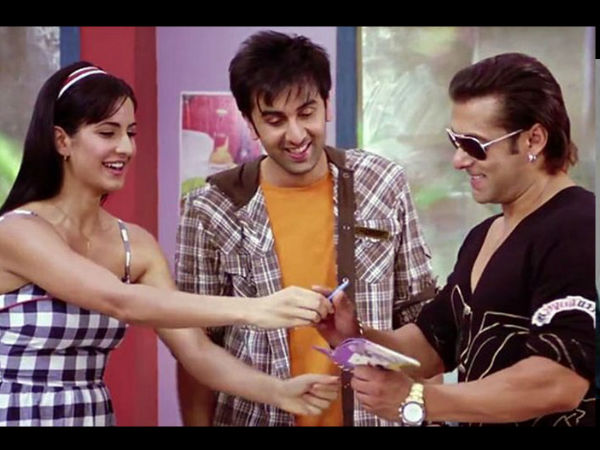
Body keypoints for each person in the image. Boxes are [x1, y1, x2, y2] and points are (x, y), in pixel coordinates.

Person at [0, 61, 340, 426]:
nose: (125, 147)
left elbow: (195, 351)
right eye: (107, 133)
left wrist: (278, 391)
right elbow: (120, 301)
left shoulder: (136, 245)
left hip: (90, 415)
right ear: (61, 141)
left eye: (131, 133)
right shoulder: (18, 231)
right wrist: (254, 309)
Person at [318, 53, 596, 426]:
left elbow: (560, 379)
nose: (459, 160)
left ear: (534, 139)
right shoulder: (484, 235)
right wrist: (356, 337)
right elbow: (431, 345)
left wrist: (417, 399)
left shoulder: (580, 228)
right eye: (455, 141)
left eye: (475, 145)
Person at [176, 31, 436, 427]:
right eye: (275, 120)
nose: (296, 135)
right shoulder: (211, 207)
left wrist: (425, 412)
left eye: (306, 112)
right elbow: (196, 347)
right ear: (250, 123)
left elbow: (421, 320)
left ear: (327, 105)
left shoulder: (382, 183)